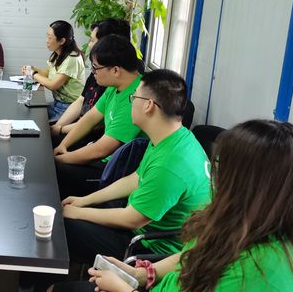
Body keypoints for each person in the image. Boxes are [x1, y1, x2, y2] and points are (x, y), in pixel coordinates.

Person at [31, 120, 293, 292]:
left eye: (220, 168)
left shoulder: (266, 270)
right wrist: (141, 274)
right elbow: (191, 255)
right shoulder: (246, 220)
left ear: (248, 182)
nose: (214, 175)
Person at [61, 69, 211, 263]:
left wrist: (78, 213)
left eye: (134, 97)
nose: (131, 102)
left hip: (150, 249)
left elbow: (132, 219)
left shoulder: (170, 164)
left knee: (63, 225)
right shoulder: (173, 137)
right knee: (73, 212)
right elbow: (135, 179)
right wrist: (84, 201)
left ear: (149, 105)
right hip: (141, 224)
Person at [54, 34, 143, 198]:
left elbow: (101, 150)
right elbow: (90, 118)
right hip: (104, 159)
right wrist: (63, 145)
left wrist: (60, 159)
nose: (93, 72)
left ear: (115, 70)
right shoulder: (115, 86)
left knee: (54, 172)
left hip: (115, 171)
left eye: (96, 68)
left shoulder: (137, 98)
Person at [50, 18, 131, 142]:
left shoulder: (116, 82)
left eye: (92, 40)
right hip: (78, 127)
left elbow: (96, 124)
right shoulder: (99, 72)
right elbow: (81, 101)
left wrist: (61, 130)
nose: (89, 45)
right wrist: (58, 127)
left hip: (92, 137)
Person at [26, 20, 85, 123]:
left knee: (39, 123)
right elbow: (49, 73)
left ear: (62, 41)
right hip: (57, 104)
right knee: (31, 113)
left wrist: (33, 74)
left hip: (69, 108)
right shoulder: (58, 54)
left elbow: (53, 85)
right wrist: (33, 68)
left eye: (50, 38)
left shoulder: (72, 58)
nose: (47, 41)